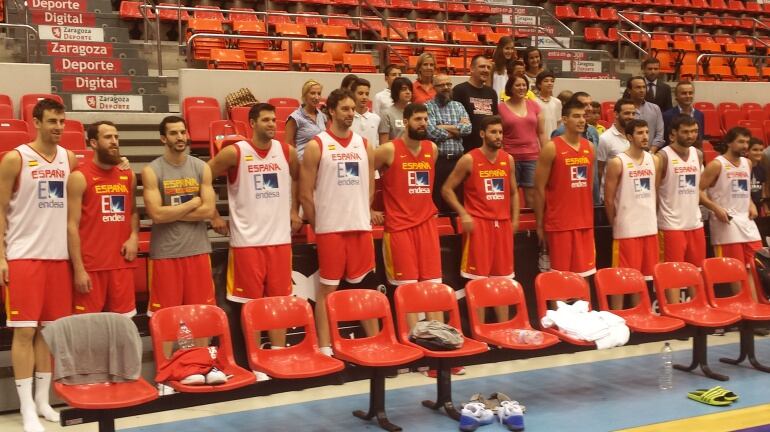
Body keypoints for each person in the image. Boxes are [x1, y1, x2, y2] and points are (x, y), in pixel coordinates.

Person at [0, 98, 77, 432]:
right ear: (35, 122)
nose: (58, 127)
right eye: (51, 121)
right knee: (24, 332)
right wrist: (0, 255)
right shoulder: (15, 159)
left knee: (48, 333)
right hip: (24, 255)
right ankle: (26, 405)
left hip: (58, 257)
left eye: (61, 121)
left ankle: (43, 401)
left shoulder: (68, 158)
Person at [207, 103, 301, 362]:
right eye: (266, 120)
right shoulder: (235, 152)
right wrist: (213, 213)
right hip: (247, 242)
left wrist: (295, 210)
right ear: (252, 123)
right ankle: (255, 358)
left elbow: (298, 178)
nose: (272, 124)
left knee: (279, 301)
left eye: (274, 120)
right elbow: (203, 175)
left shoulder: (287, 152)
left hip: (280, 240)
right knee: (251, 305)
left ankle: (279, 354)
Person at [300, 89, 376, 355]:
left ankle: (374, 343)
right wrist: (320, 223)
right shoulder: (316, 145)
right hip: (330, 229)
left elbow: (369, 188)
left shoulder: (365, 145)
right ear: (331, 111)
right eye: (345, 109)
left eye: (353, 109)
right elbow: (305, 193)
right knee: (327, 290)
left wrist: (361, 213)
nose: (350, 114)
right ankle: (325, 347)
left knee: (361, 288)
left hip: (359, 226)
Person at [442, 115, 519, 320]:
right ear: (482, 134)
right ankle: (480, 329)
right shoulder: (469, 159)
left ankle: (504, 329)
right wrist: (464, 213)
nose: (498, 136)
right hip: (479, 225)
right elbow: (447, 189)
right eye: (493, 132)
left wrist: (516, 219)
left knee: (502, 281)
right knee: (478, 281)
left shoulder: (507, 159)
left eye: (500, 132)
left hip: (502, 225)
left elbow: (513, 192)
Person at [143, 116, 216, 317]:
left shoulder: (202, 167)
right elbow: (156, 214)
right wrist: (193, 203)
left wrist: (170, 213)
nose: (180, 137)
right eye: (174, 133)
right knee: (165, 316)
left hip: (198, 250)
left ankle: (199, 351)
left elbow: (209, 211)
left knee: (202, 313)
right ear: (163, 139)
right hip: (166, 254)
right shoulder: (152, 171)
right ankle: (168, 351)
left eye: (183, 132)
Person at [373, 103, 442, 310]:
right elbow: (364, 175)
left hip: (427, 226)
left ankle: (435, 337)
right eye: (417, 119)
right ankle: (410, 336)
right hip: (399, 227)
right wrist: (369, 209)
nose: (423, 124)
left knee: (432, 287)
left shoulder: (433, 149)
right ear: (405, 122)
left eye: (425, 119)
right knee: (407, 289)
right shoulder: (388, 150)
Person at [68, 121, 139, 318]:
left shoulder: (128, 175)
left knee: (123, 327)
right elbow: (71, 226)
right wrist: (79, 269)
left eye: (116, 137)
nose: (114, 141)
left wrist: (134, 236)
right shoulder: (79, 177)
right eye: (108, 137)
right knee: (87, 331)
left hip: (121, 265)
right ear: (93, 143)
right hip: (91, 267)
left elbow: (133, 212)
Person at [534, 100, 596, 277]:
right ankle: (555, 307)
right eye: (576, 116)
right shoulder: (551, 148)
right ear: (564, 120)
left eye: (584, 116)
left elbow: (589, 186)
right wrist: (540, 224)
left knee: (584, 275)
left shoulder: (590, 147)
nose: (582, 120)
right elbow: (539, 188)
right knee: (559, 277)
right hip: (559, 223)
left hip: (584, 222)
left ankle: (583, 306)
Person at [603, 119, 660, 308]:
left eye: (646, 132)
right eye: (639, 133)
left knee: (643, 278)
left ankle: (641, 315)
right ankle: (617, 316)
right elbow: (609, 199)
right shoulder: (617, 162)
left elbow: (656, 191)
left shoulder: (655, 160)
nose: (645, 136)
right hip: (627, 229)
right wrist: (616, 223)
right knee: (622, 278)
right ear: (629, 137)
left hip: (649, 227)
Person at [655, 115, 705, 303]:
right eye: (685, 131)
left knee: (696, 270)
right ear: (673, 134)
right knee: (672, 271)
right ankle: (674, 311)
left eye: (694, 131)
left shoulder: (698, 155)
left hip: (694, 221)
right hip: (671, 224)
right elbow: (653, 190)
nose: (691, 135)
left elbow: (698, 188)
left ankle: (699, 309)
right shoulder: (662, 156)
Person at [701, 127, 762, 275]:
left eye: (747, 142)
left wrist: (751, 203)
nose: (745, 146)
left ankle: (753, 299)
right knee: (735, 271)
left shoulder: (747, 163)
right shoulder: (717, 164)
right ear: (729, 142)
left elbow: (744, 190)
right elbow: (698, 191)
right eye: (741, 141)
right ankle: (739, 299)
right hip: (726, 222)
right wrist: (715, 208)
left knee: (755, 268)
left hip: (746, 221)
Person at [499, 75, 548, 207]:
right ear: (510, 88)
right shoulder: (500, 108)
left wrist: (546, 154)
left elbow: (542, 133)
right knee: (510, 196)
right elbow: (498, 134)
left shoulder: (534, 106)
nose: (521, 88)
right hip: (510, 157)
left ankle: (531, 226)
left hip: (532, 157)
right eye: (517, 85)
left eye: (524, 85)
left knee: (532, 196)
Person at [425, 74, 471, 212]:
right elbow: (431, 132)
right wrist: (456, 129)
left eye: (448, 84)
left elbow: (468, 129)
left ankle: (456, 231)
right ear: (434, 87)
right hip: (439, 161)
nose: (446, 88)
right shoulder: (428, 107)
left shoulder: (458, 106)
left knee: (457, 201)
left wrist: (443, 126)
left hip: (458, 161)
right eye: (441, 85)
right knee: (438, 200)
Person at [452, 55, 498, 152]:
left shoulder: (491, 93)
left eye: (488, 67)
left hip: (489, 149)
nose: (486, 70)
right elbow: (454, 121)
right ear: (472, 69)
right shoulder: (459, 90)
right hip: (467, 149)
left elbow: (495, 120)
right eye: (482, 66)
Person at [597, 98, 637, 202]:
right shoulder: (605, 139)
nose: (631, 117)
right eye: (627, 113)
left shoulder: (637, 136)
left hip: (632, 195)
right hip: (613, 197)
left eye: (633, 113)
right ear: (616, 114)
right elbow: (599, 170)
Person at [285, 79, 327, 160]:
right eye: (312, 93)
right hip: (302, 163)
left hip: (321, 162)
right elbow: (288, 146)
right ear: (305, 95)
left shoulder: (322, 116)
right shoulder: (295, 118)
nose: (317, 97)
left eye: (319, 93)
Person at [626, 76, 665, 151]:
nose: (642, 90)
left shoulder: (655, 108)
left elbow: (660, 134)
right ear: (629, 90)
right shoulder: (625, 110)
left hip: (651, 153)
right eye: (638, 87)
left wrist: (651, 152)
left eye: (644, 87)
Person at [662, 81, 704, 147]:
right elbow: (666, 139)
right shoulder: (667, 116)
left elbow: (700, 139)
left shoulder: (699, 115)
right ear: (676, 96)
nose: (688, 96)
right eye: (684, 93)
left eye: (690, 93)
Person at [379, 76, 413, 144]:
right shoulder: (386, 114)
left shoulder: (414, 112)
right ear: (396, 91)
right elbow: (383, 143)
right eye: (404, 89)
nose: (408, 92)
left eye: (410, 89)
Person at [351, 78, 381, 148]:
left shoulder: (376, 118)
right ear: (352, 94)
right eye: (360, 93)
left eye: (367, 94)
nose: (364, 97)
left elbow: (377, 144)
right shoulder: (347, 118)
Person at [534, 70, 562, 138]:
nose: (550, 83)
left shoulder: (557, 102)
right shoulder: (534, 102)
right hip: (538, 139)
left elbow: (558, 122)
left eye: (552, 81)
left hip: (553, 139)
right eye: (546, 81)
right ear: (539, 84)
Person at [749, 137, 767, 213]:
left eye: (761, 150)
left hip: (758, 205)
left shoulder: (762, 169)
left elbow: (762, 192)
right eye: (755, 150)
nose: (759, 153)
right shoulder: (742, 168)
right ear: (747, 151)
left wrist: (765, 207)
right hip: (745, 206)